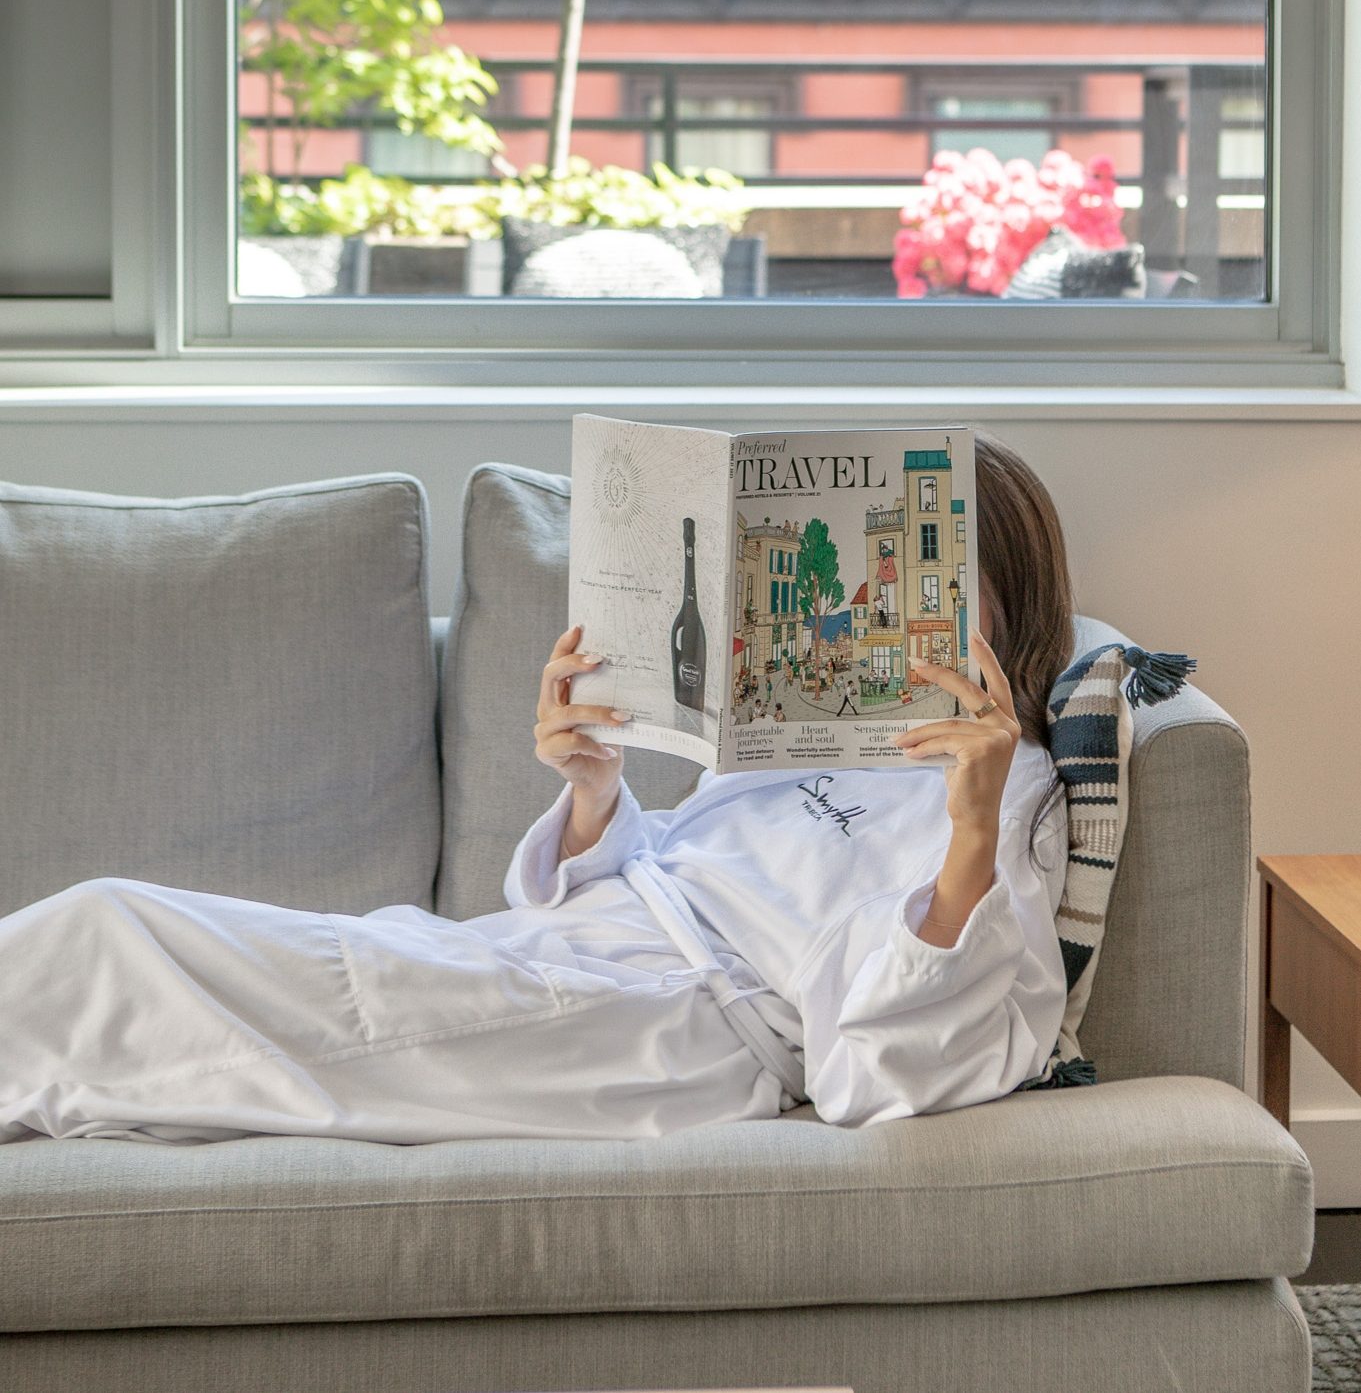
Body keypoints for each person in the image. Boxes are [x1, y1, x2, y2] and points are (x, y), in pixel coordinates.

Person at [0, 433, 1075, 1146]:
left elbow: (892, 1061)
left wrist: (969, 824)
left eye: (929, 580)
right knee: (124, 943)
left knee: (116, 936)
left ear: (1000, 602)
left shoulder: (1015, 788)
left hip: (663, 1025)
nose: (884, 600)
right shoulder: (826, 727)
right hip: (577, 950)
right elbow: (667, 871)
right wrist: (597, 794)